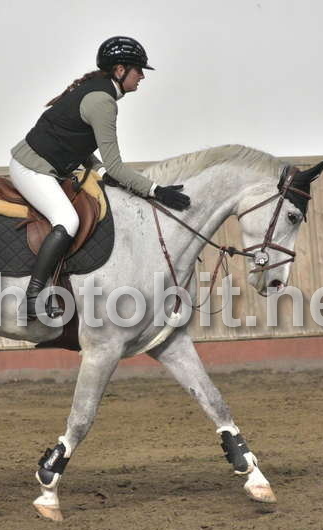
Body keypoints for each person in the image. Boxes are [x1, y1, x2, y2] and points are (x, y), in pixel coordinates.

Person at [10, 35, 190, 320]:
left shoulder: (98, 92)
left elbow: (74, 140)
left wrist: (101, 171)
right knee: (67, 220)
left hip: (50, 165)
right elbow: (117, 166)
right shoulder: (103, 101)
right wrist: (156, 190)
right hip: (30, 168)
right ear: (120, 70)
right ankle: (33, 296)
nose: (142, 76)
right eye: (138, 70)